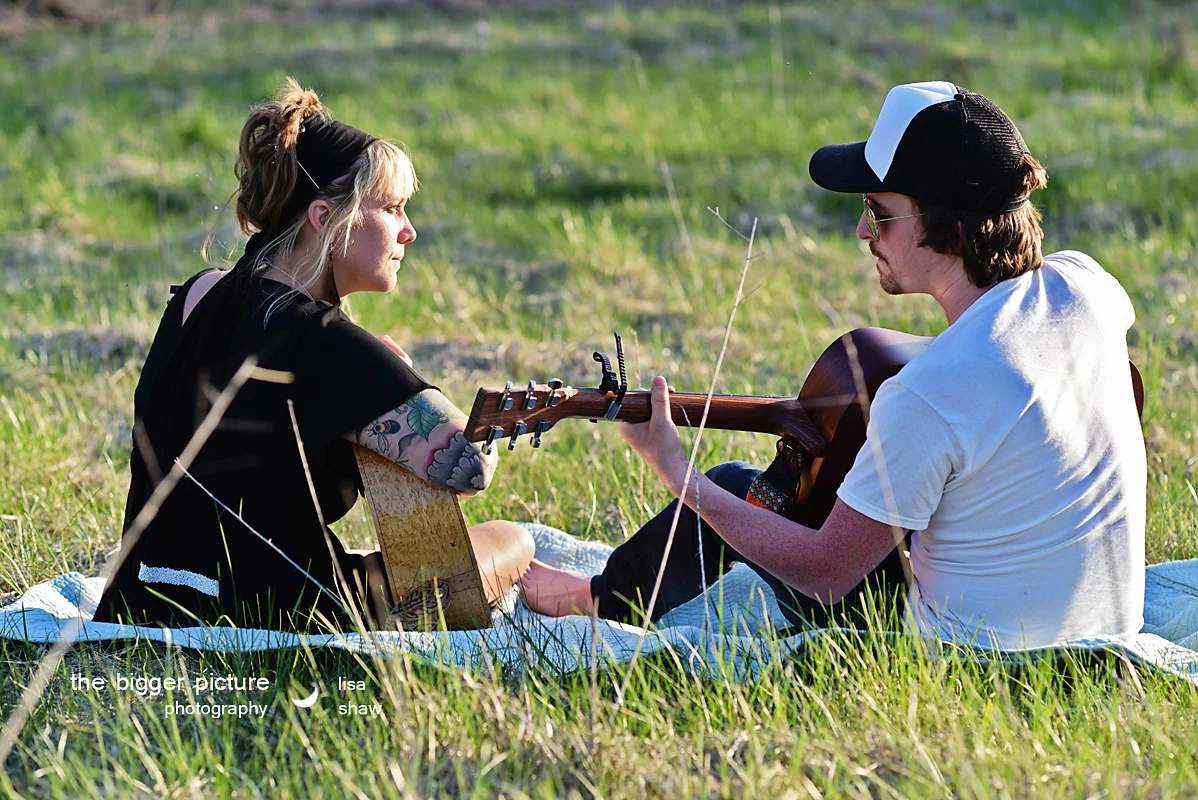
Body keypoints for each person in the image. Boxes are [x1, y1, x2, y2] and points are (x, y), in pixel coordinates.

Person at [522, 81, 1147, 650]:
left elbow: (825, 574)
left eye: (879, 211)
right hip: (1110, 630)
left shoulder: (927, 394)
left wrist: (678, 472)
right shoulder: (1090, 287)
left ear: (945, 224)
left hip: (965, 662)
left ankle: (593, 603)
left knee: (743, 490)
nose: (860, 229)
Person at [95, 78, 533, 632]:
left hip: (140, 600)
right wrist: (394, 375)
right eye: (393, 209)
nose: (409, 232)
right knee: (512, 541)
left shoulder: (199, 293)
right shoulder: (327, 344)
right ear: (325, 218)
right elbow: (470, 469)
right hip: (277, 618)